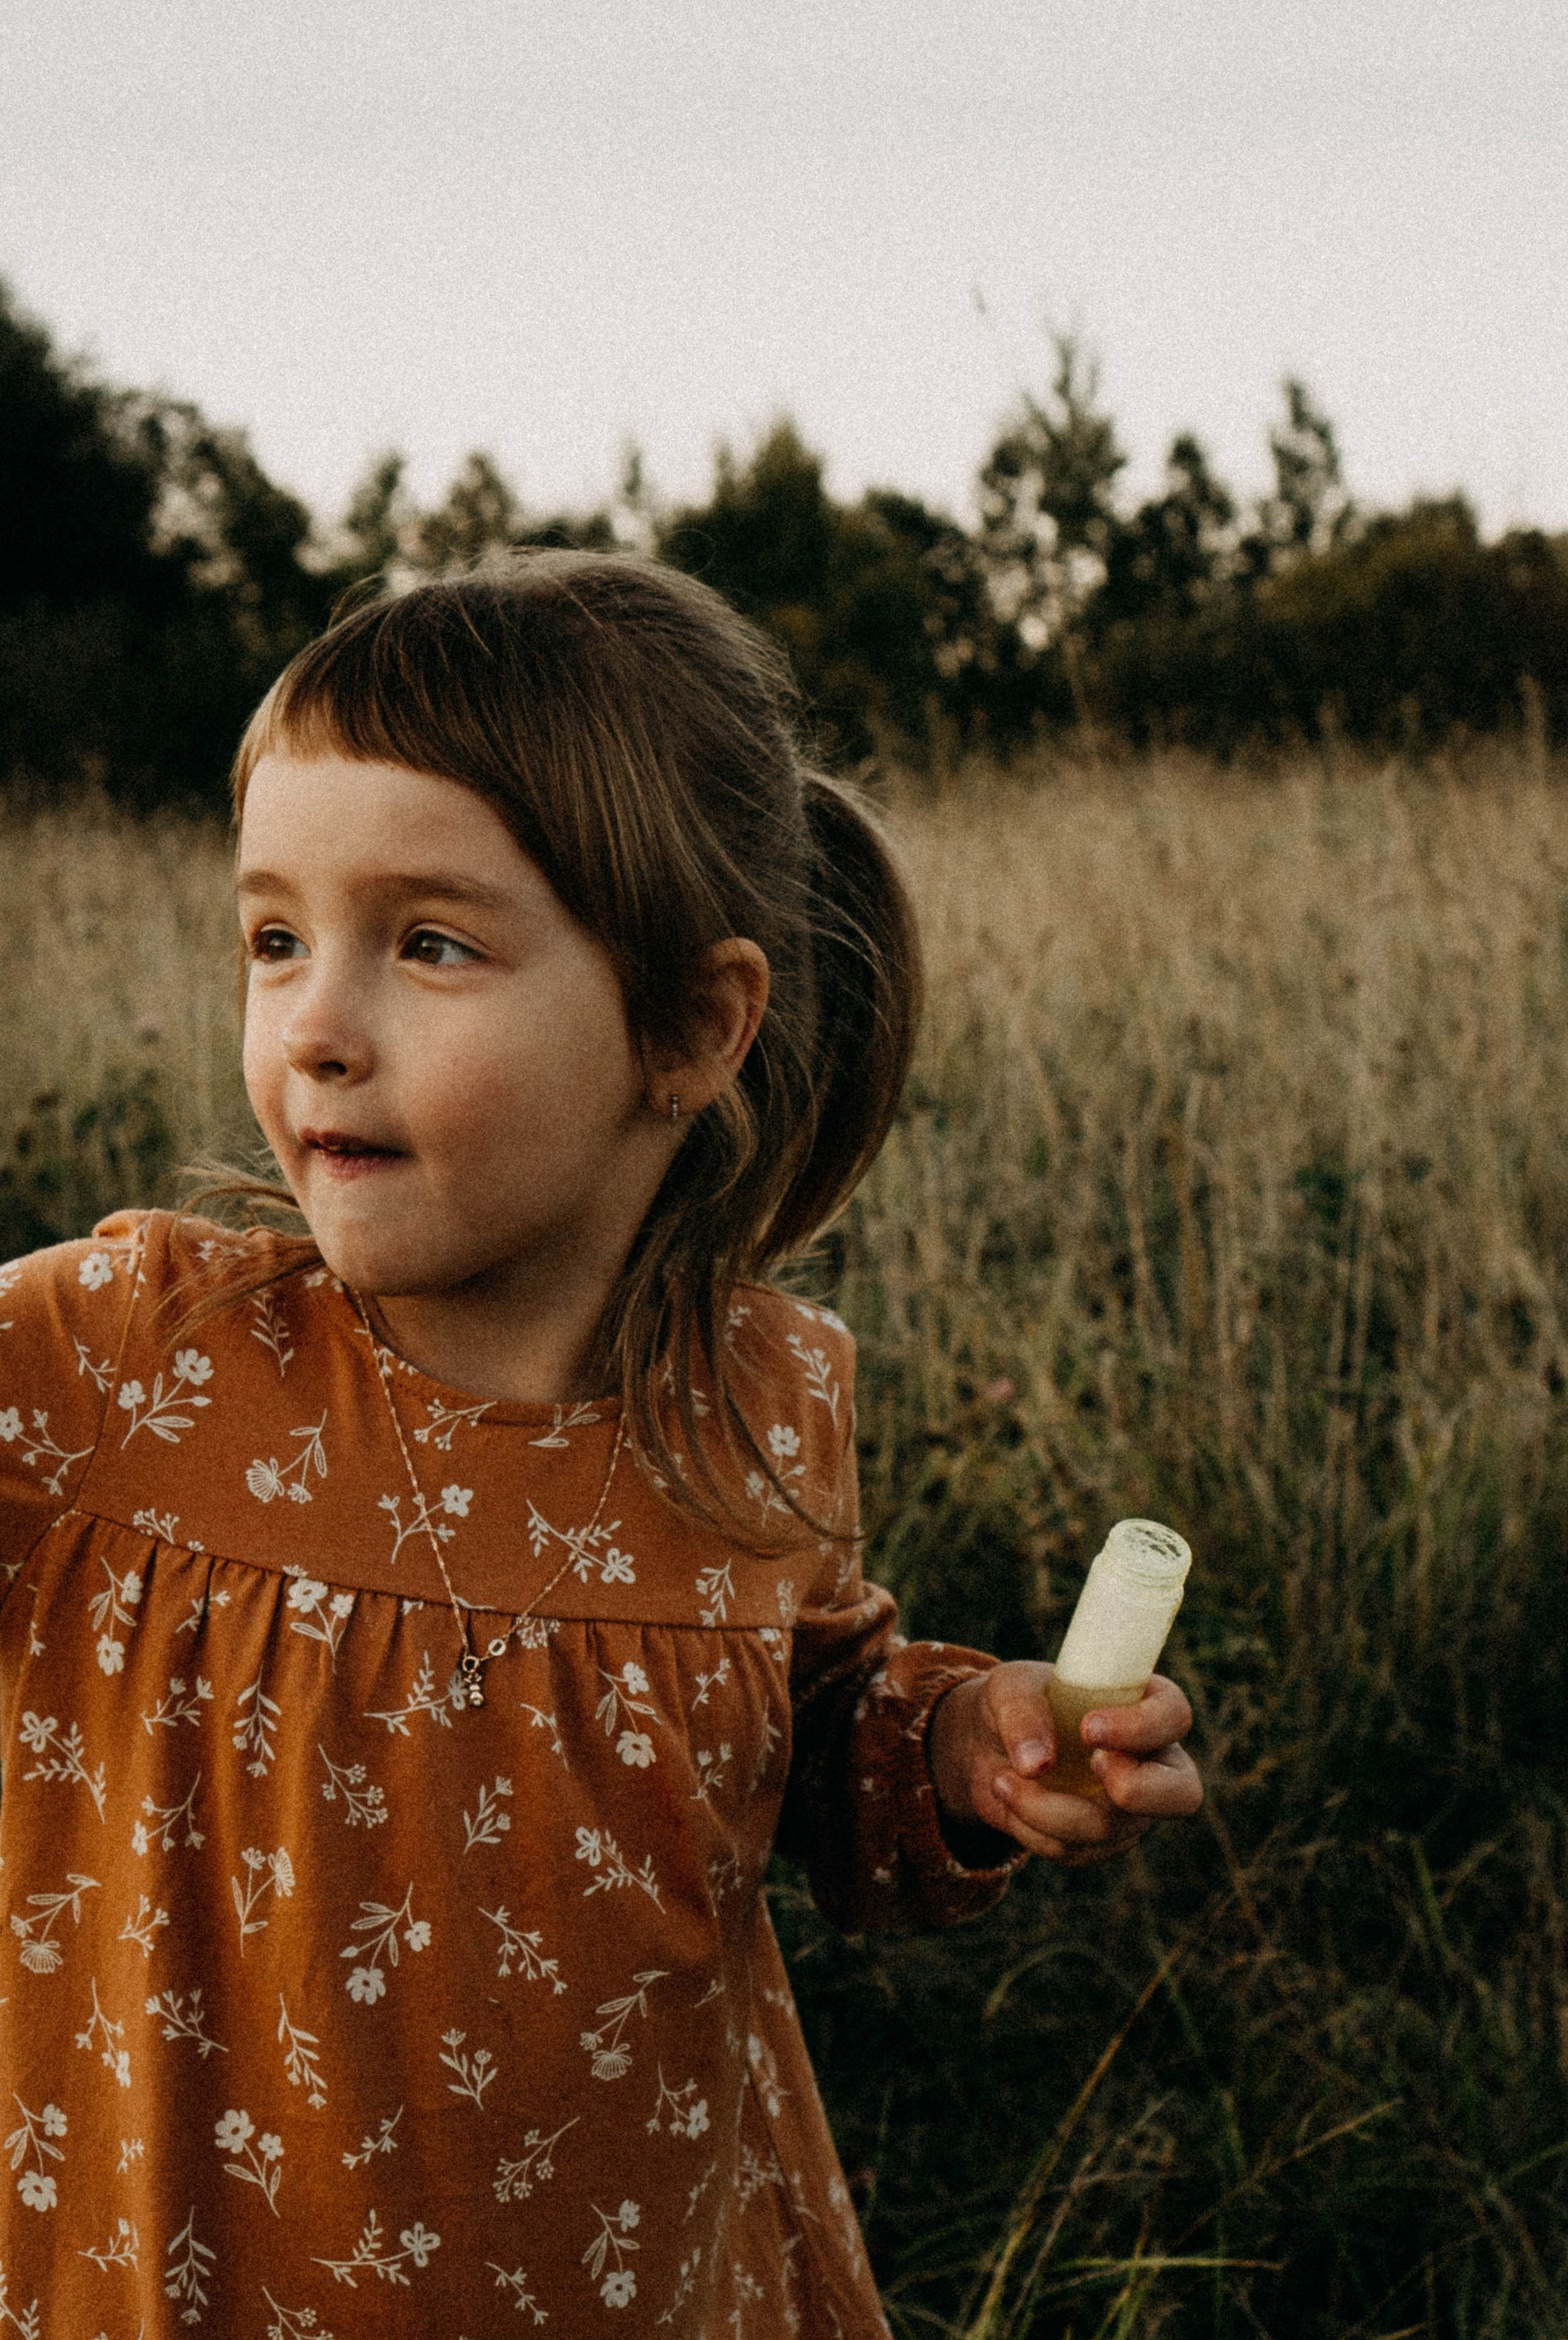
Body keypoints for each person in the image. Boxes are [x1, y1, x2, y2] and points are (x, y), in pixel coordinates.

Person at [0, 554, 1199, 2336]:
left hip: (632, 2280)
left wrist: (958, 1743)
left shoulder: (759, 1407)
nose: (316, 1025)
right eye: (274, 938)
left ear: (693, 1027)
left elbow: (795, 1744)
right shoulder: (122, 1362)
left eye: (429, 943)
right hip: (191, 2274)